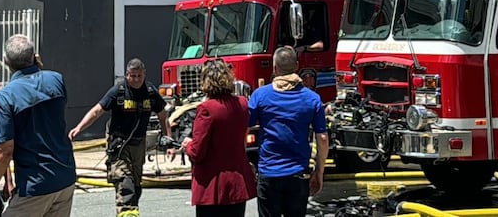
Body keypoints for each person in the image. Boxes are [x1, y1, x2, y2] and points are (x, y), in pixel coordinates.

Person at [0, 35, 75, 217]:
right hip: (65, 177)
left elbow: (4, 151)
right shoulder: (56, 79)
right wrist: (36, 67)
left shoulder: (4, 97)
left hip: (35, 183)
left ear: (6, 61)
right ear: (35, 57)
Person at [69, 58, 171, 216]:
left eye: (139, 76)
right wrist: (79, 128)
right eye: (133, 76)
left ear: (144, 74)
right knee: (125, 182)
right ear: (127, 75)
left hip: (138, 145)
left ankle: (130, 212)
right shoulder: (118, 91)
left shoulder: (150, 92)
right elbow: (97, 111)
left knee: (136, 187)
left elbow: (163, 116)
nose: (136, 80)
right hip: (119, 144)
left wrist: (168, 140)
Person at [248, 46, 328, 217]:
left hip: (269, 173)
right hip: (298, 174)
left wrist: (244, 163)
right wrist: (319, 171)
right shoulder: (312, 98)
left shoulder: (260, 96)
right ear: (297, 66)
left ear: (274, 68)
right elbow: (322, 138)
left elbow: (243, 128)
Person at [170, 59, 256, 217]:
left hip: (212, 185)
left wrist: (188, 144)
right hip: (237, 181)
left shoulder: (207, 109)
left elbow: (197, 152)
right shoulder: (243, 104)